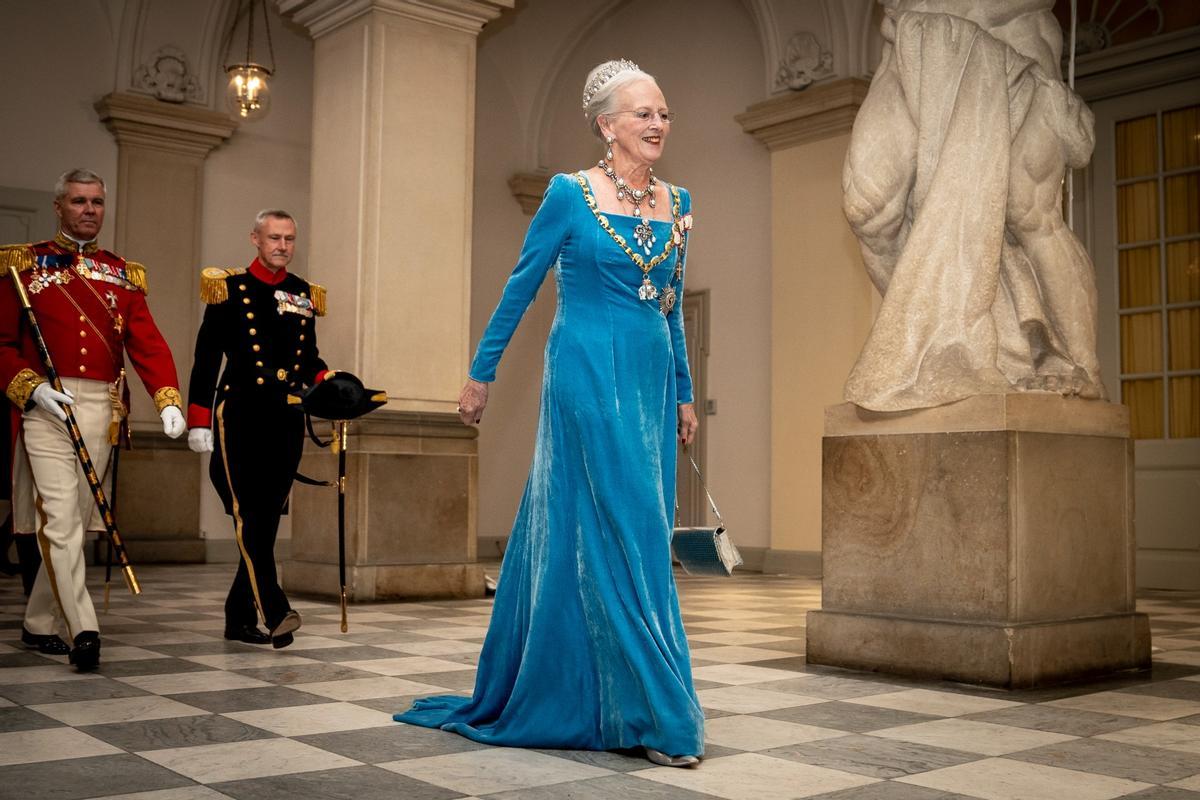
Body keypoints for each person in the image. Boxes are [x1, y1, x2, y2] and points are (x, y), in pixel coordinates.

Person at [395, 59, 703, 767]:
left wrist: (683, 391)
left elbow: (672, 305)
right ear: (607, 126)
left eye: (663, 113)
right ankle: (660, 717)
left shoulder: (679, 202)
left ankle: (620, 704)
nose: (657, 124)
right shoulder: (571, 195)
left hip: (650, 379)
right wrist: (481, 374)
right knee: (622, 525)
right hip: (586, 370)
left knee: (640, 534)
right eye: (643, 114)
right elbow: (521, 285)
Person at [0, 168, 185, 670]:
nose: (89, 210)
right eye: (79, 201)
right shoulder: (24, 264)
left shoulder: (122, 273)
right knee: (59, 519)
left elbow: (147, 342)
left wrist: (167, 398)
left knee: (75, 526)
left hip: (102, 406)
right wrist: (31, 387)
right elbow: (1, 343)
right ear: (58, 205)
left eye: (97, 202)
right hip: (45, 406)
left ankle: (38, 623)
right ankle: (85, 629)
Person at [186, 209, 328, 649]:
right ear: (255, 238)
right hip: (241, 415)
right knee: (250, 514)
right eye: (273, 237)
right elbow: (207, 357)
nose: (282, 246)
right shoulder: (228, 288)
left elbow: (309, 359)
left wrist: (331, 384)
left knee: (264, 522)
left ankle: (237, 617)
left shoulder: (303, 293)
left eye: (289, 238)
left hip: (285, 419)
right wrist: (197, 420)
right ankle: (275, 608)